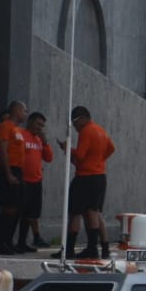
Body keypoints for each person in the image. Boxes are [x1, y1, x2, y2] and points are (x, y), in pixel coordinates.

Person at [58, 104, 115, 259]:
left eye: (75, 123)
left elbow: (81, 155)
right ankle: (94, 248)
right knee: (94, 212)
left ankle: (69, 250)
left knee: (75, 212)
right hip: (99, 176)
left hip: (85, 177)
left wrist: (68, 148)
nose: (75, 127)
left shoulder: (86, 131)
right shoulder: (100, 130)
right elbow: (111, 148)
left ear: (81, 119)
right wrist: (98, 161)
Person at [0, 99, 28, 256]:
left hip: (19, 171)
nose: (25, 114)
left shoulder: (17, 130)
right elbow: (3, 151)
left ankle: (9, 242)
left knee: (17, 208)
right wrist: (8, 173)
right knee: (8, 208)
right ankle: (1, 243)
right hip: (9, 170)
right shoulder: (5, 126)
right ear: (17, 110)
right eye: (24, 111)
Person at [16, 111, 53, 251]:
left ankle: (23, 242)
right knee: (23, 213)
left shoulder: (39, 139)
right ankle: (24, 241)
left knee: (32, 213)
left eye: (42, 126)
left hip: (36, 180)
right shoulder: (21, 134)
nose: (40, 128)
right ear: (30, 121)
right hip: (23, 179)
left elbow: (49, 158)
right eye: (38, 124)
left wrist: (45, 143)